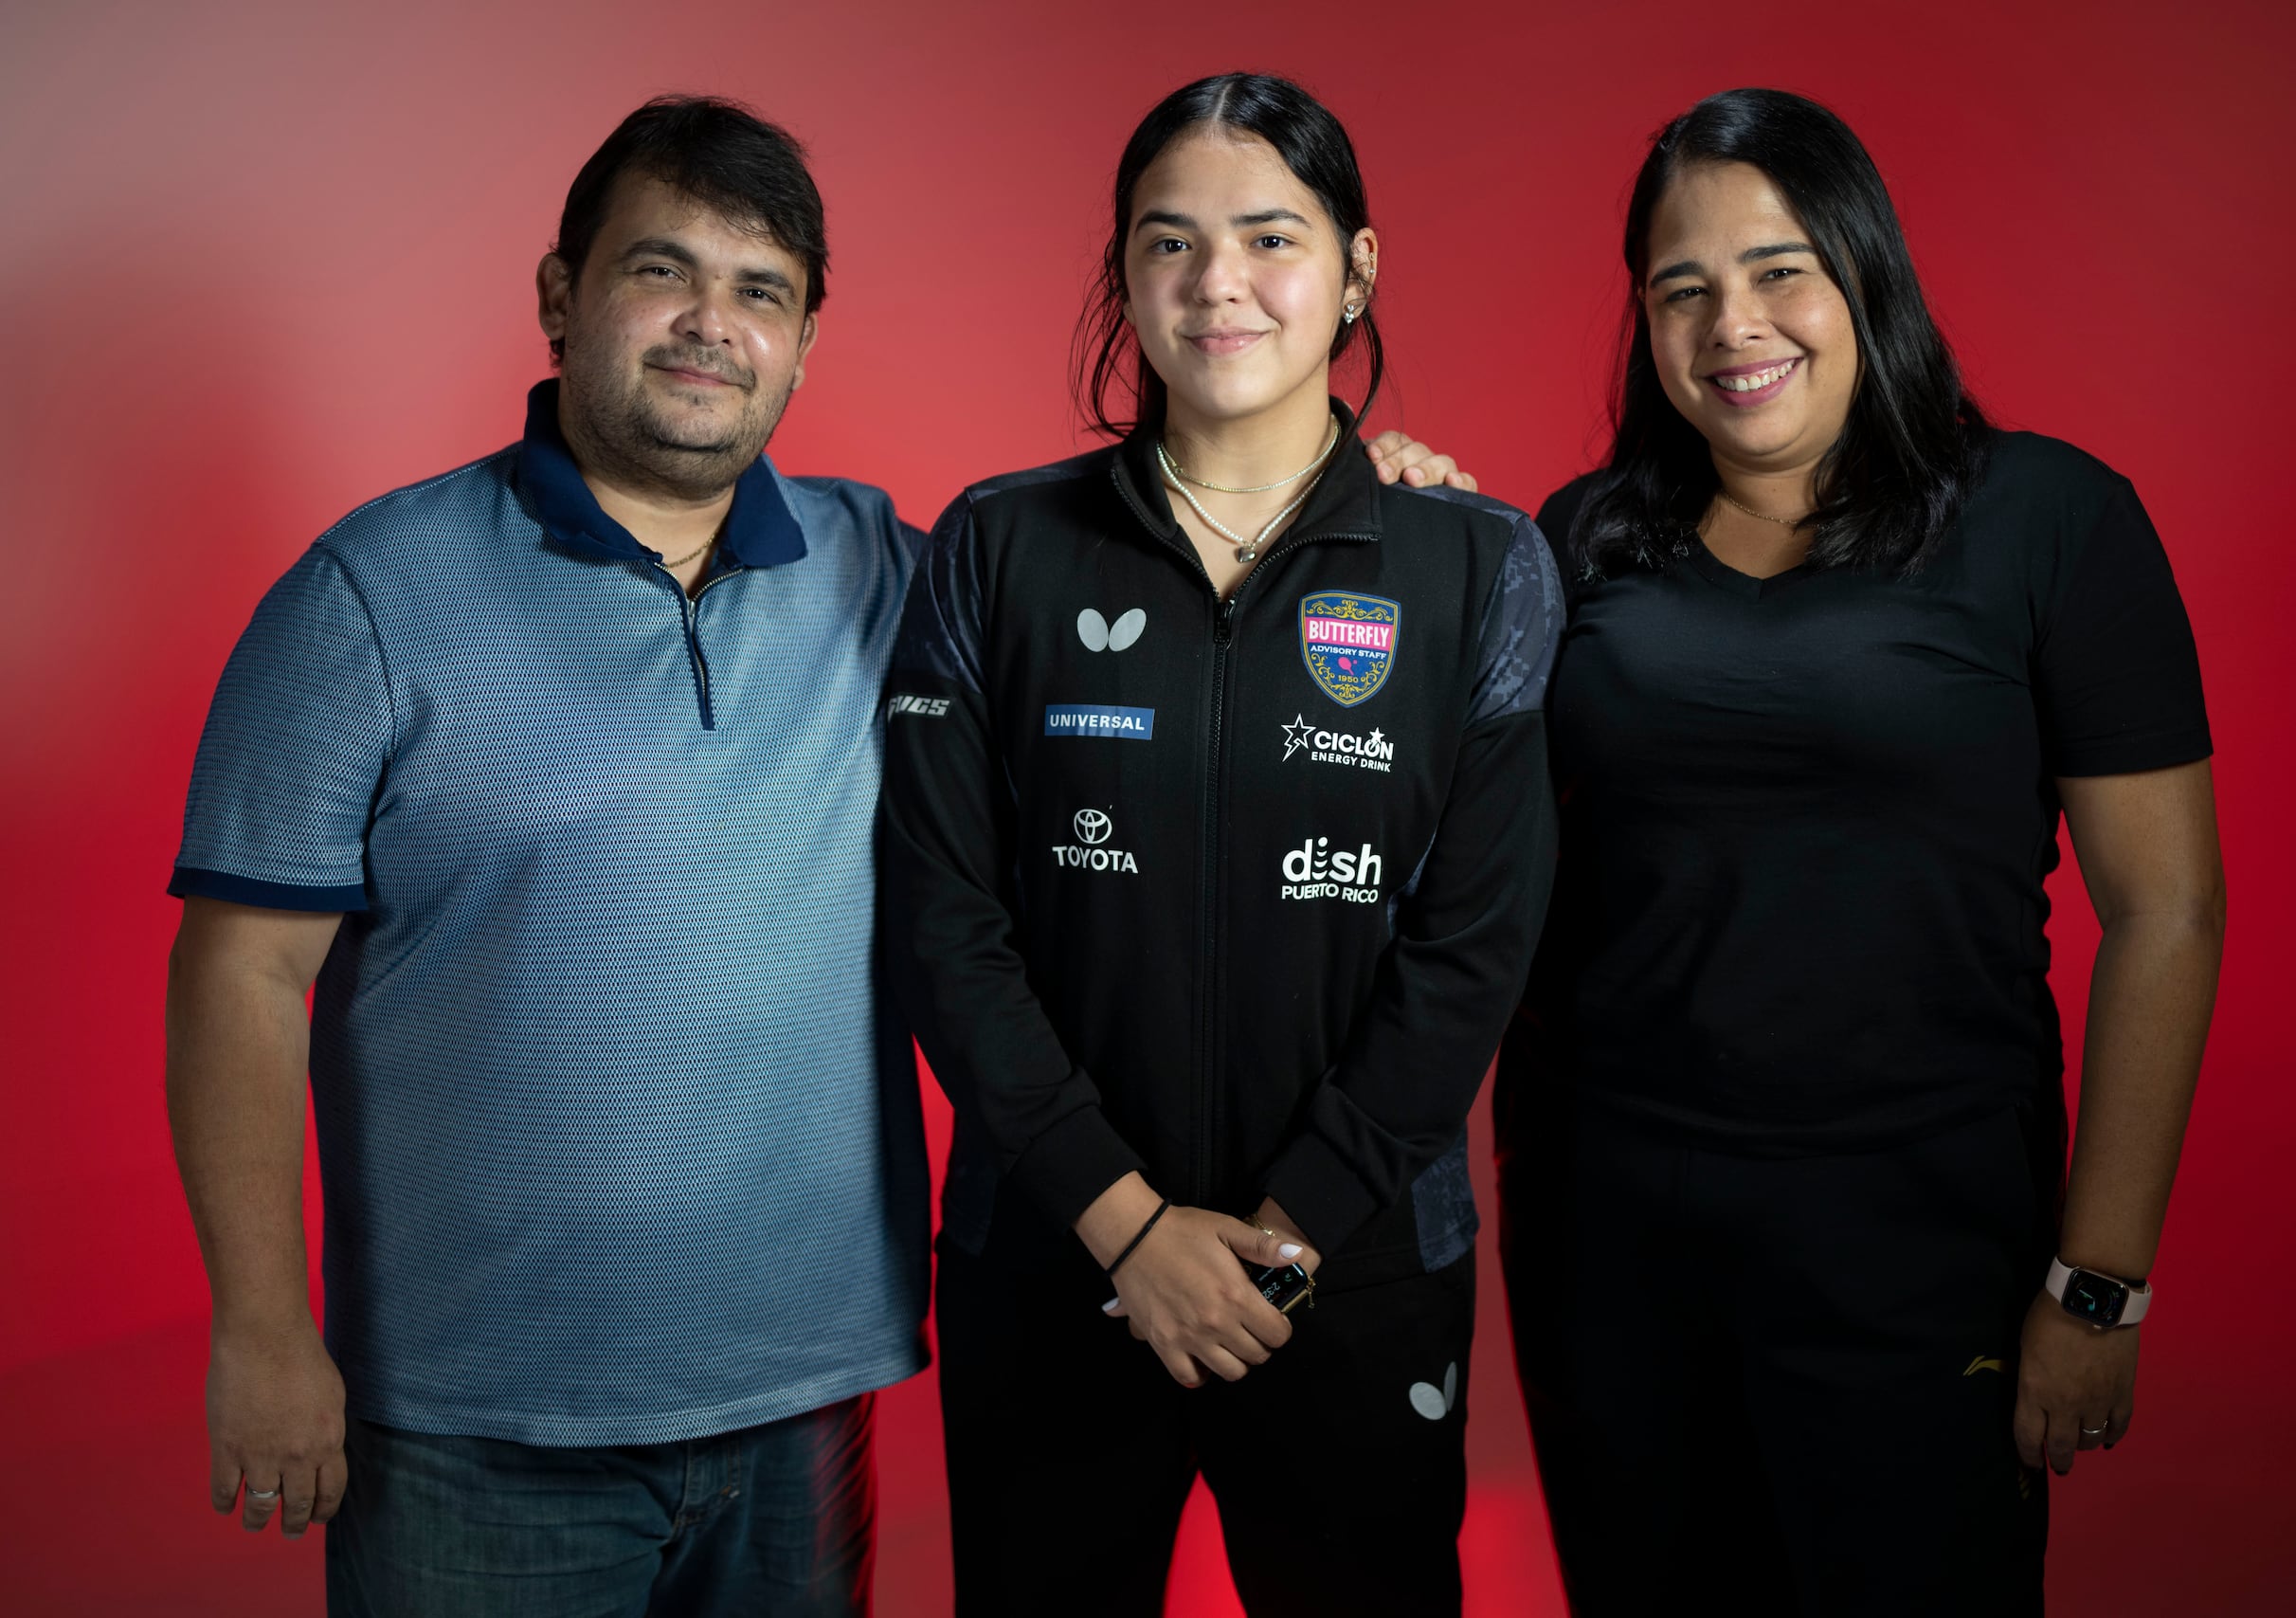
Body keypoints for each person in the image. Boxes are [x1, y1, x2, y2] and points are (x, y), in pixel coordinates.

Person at [161, 91, 1478, 1616]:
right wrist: (260, 1325)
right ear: (557, 295)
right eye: (662, 271)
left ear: (801, 342)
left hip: (799, 1401)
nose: (710, 325)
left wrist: (1374, 511)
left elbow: (1166, 602)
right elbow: (241, 974)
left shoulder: (893, 572)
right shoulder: (368, 599)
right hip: (481, 1420)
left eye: (761, 293)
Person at [1497, 88, 2225, 1614]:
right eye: (1680, 287)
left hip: (1919, 1233)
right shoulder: (1576, 543)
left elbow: (2169, 914)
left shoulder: (2048, 519)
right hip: (1611, 1235)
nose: (1730, 323)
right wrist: (1408, 524)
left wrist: (2098, 1282)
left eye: (1778, 269)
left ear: (1862, 270)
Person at [882, 72, 1562, 1617]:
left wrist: (1285, 1229)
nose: (1218, 284)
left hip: (1356, 1263)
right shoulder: (995, 546)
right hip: (1054, 1259)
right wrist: (1127, 1230)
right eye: (1168, 244)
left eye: (1271, 235)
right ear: (1123, 278)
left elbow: (1475, 948)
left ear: (1358, 268)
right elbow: (941, 920)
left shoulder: (1481, 565)